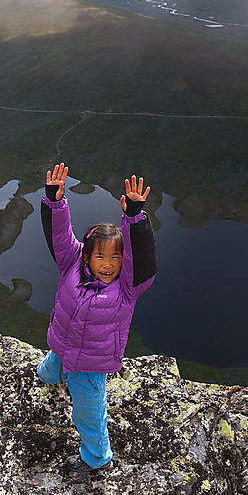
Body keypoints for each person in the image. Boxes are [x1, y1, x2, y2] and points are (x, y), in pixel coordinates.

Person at [38, 163, 156, 475]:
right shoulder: (71, 264)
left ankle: (97, 456)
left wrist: (133, 217)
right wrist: (55, 201)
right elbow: (60, 236)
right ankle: (51, 375)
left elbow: (140, 258)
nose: (107, 264)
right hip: (62, 346)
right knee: (51, 367)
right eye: (99, 256)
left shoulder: (128, 287)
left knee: (88, 415)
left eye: (116, 257)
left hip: (90, 367)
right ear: (87, 255)